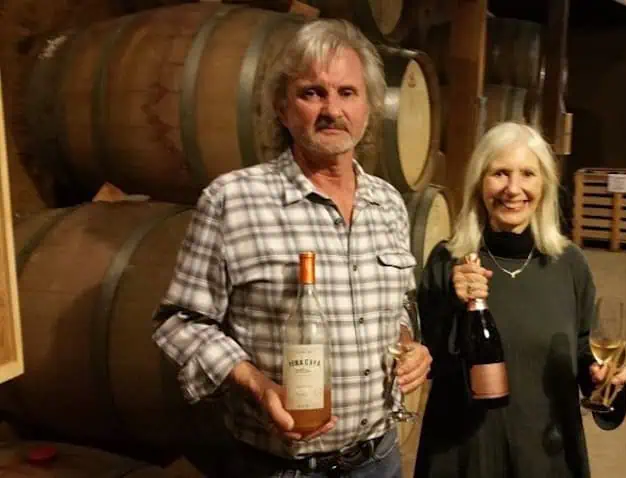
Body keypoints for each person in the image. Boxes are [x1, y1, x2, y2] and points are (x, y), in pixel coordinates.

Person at [152, 18, 432, 478]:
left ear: (368, 107)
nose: (331, 109)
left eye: (347, 93)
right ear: (282, 109)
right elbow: (181, 325)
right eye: (312, 93)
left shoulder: (389, 206)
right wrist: (258, 387)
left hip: (379, 460)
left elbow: (397, 309)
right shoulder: (233, 201)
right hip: (279, 468)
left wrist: (409, 346)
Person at [414, 122, 626, 478]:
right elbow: (428, 362)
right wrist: (452, 303)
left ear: (543, 184)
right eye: (499, 173)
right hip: (464, 456)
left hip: (546, 456)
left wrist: (607, 384)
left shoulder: (569, 264)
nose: (513, 190)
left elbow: (584, 353)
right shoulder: (449, 260)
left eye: (527, 174)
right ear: (478, 183)